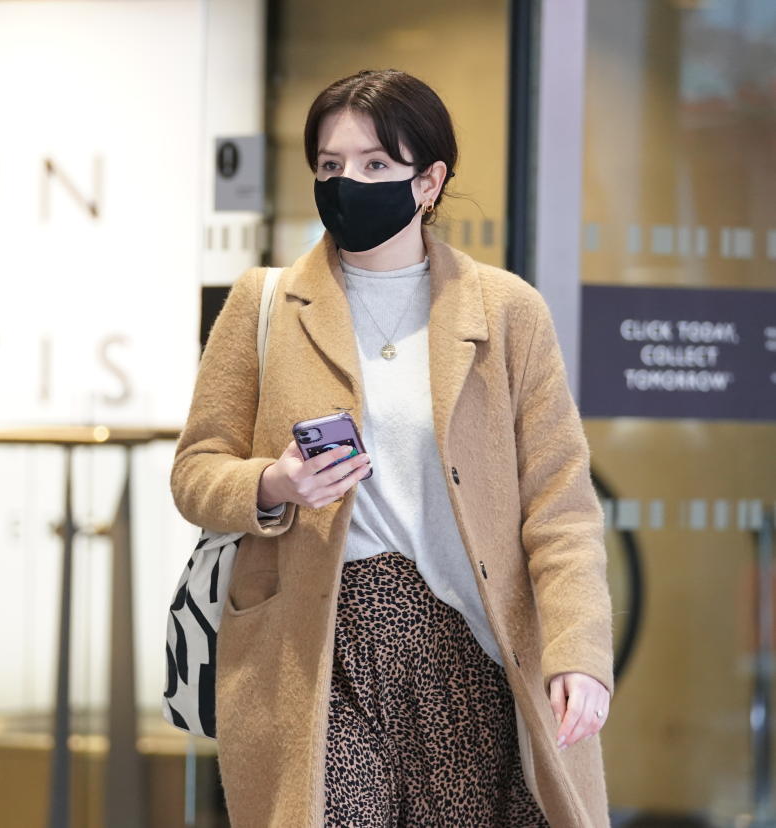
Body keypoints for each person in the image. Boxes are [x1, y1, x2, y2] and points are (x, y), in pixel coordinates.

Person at [170, 68, 613, 827]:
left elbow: (561, 506)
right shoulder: (264, 303)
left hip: (473, 643)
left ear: (429, 180)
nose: (348, 183)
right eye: (330, 166)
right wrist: (272, 485)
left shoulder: (507, 313)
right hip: (316, 645)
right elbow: (195, 471)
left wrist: (579, 650)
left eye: (376, 165)